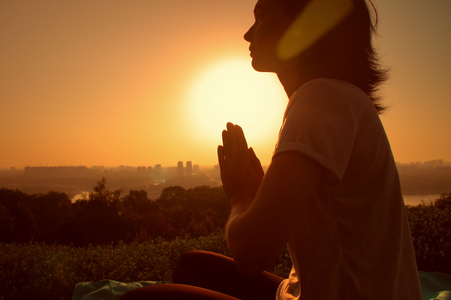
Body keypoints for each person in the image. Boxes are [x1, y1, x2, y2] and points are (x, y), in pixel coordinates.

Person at [122, 0, 423, 299]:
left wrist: (241, 196)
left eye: (261, 17)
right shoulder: (334, 99)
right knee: (192, 267)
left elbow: (251, 254)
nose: (248, 34)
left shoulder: (322, 98)